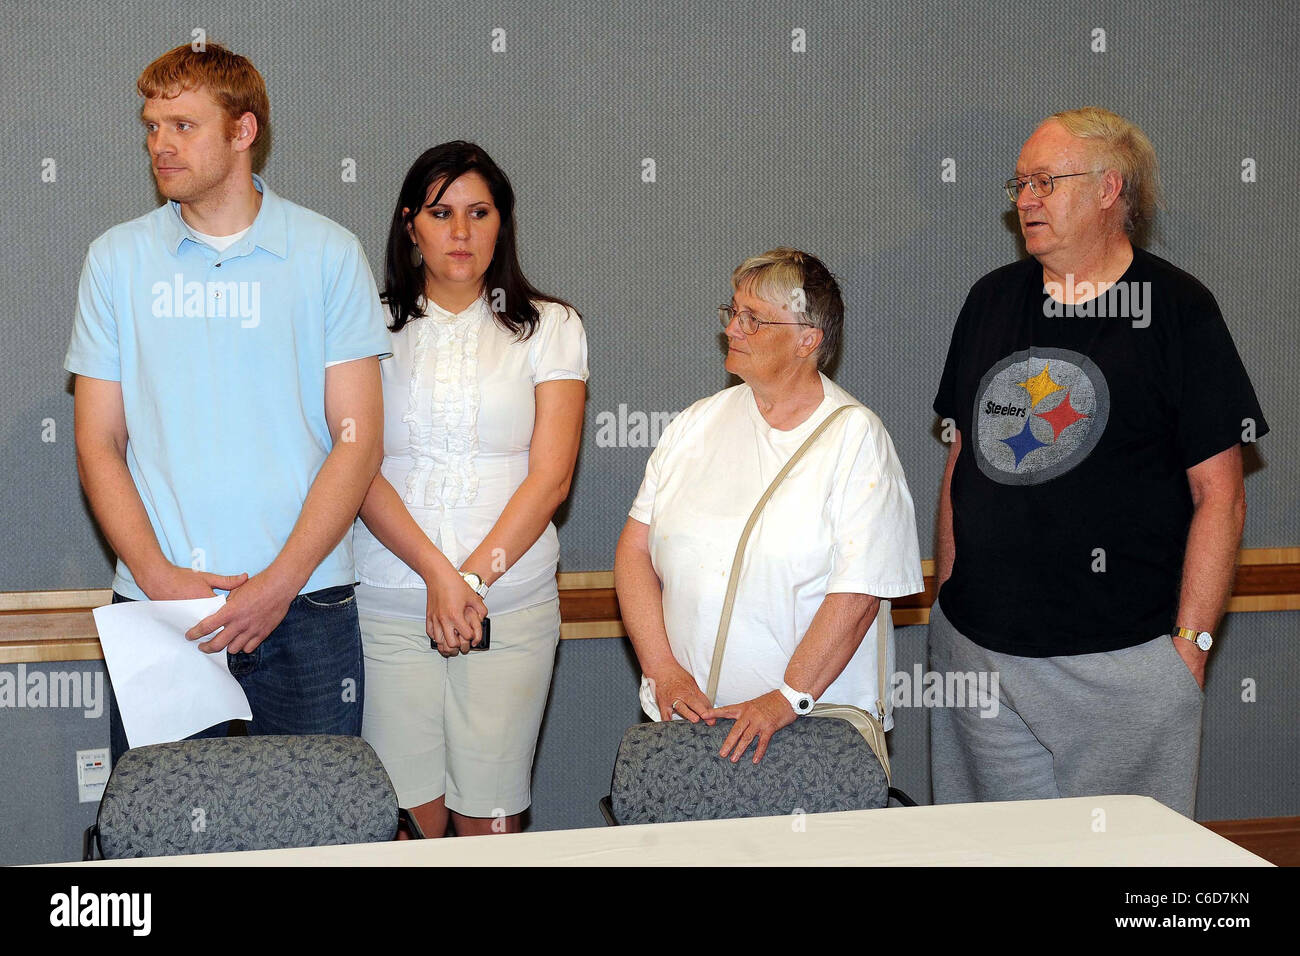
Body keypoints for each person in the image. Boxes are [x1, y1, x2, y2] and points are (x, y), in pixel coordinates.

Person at [930, 107, 1269, 816]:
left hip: (1123, 666)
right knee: (995, 860)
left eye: (1045, 182)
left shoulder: (1180, 311)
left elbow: (1221, 496)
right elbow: (963, 457)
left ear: (1110, 189)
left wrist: (1190, 650)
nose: (1025, 199)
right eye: (1019, 183)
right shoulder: (989, 300)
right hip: (978, 655)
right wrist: (949, 605)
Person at [65, 44, 390, 762]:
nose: (160, 144)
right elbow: (98, 441)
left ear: (243, 132)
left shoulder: (329, 254)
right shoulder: (115, 261)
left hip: (307, 605)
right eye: (151, 126)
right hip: (162, 608)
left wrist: (278, 585)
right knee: (163, 838)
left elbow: (358, 440)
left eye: (182, 125)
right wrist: (157, 577)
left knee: (315, 835)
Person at [354, 142, 587, 838]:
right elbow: (355, 468)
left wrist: (470, 580)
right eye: (442, 212)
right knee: (406, 823)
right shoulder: (364, 324)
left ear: (501, 223)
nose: (461, 232)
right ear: (410, 225)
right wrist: (437, 577)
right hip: (390, 606)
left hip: (510, 607)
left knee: (490, 818)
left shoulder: (552, 327)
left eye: (479, 212)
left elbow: (551, 477)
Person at [615, 248, 924, 765]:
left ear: (808, 340)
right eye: (732, 313)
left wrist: (787, 698)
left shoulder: (855, 438)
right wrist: (662, 670)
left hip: (810, 729)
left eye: (753, 319)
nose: (733, 329)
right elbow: (634, 551)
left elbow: (859, 593)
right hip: (688, 722)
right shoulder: (695, 424)